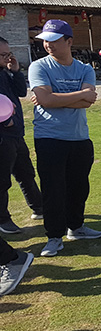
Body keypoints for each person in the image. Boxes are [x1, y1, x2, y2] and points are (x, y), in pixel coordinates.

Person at [28, 20, 101, 257]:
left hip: (79, 137)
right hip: (49, 136)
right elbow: (46, 100)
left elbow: (88, 102)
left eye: (54, 40)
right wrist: (79, 95)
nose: (48, 45)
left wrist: (55, 98)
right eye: (45, 41)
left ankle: (76, 227)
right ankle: (53, 236)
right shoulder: (38, 67)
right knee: (53, 188)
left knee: (79, 186)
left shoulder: (84, 69)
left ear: (69, 41)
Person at [0, 37, 42, 234]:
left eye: (9, 53)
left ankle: (39, 206)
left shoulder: (4, 73)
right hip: (2, 135)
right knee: (2, 180)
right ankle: (3, 219)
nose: (8, 57)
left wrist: (15, 71)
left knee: (25, 173)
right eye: (4, 55)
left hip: (15, 133)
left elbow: (20, 92)